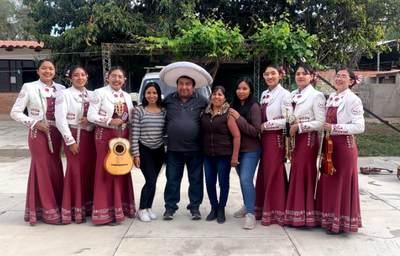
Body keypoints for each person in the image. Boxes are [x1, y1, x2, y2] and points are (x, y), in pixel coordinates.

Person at [10, 59, 66, 225]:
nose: (47, 71)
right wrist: (35, 123)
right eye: (44, 68)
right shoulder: (29, 87)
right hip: (38, 133)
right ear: (38, 70)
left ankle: (58, 206)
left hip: (56, 134)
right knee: (41, 169)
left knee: (55, 169)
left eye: (50, 68)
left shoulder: (61, 89)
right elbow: (15, 112)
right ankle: (48, 212)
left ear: (54, 71)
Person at [160, 61, 211, 220]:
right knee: (172, 180)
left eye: (188, 84)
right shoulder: (168, 100)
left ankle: (195, 208)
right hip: (174, 149)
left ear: (193, 86)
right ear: (176, 85)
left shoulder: (202, 101)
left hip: (195, 150)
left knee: (195, 181)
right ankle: (170, 208)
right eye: (181, 84)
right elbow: (155, 110)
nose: (184, 87)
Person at [315, 68, 364, 235]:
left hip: (344, 147)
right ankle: (327, 219)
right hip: (330, 145)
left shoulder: (353, 100)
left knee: (341, 184)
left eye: (344, 76)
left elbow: (359, 127)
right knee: (329, 181)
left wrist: (335, 128)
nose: (339, 79)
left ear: (351, 81)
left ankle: (341, 224)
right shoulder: (334, 97)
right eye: (337, 76)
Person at [87, 66, 136, 225]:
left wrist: (132, 115)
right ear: (107, 77)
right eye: (113, 76)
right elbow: (91, 115)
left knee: (122, 169)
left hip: (123, 136)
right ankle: (105, 213)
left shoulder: (127, 96)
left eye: (120, 77)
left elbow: (127, 117)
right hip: (105, 135)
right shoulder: (99, 93)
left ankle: (121, 208)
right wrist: (109, 121)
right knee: (106, 170)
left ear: (124, 80)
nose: (117, 79)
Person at [284, 64, 326, 227]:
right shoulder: (293, 94)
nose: (300, 76)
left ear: (311, 77)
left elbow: (321, 122)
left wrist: (299, 127)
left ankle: (305, 217)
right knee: (295, 173)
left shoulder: (317, 95)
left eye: (304, 74)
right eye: (298, 73)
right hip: (294, 138)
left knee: (304, 174)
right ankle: (294, 214)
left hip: (307, 138)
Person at [55, 65, 96, 224]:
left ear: (87, 77)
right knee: (75, 171)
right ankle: (74, 209)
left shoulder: (92, 95)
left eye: (83, 75)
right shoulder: (63, 94)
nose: (80, 78)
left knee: (90, 171)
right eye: (76, 75)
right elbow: (60, 120)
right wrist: (70, 141)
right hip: (74, 136)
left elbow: (99, 113)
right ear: (70, 78)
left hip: (91, 137)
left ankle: (90, 207)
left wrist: (90, 119)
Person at [254, 65, 291, 226]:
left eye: (273, 74)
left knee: (274, 173)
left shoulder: (285, 95)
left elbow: (288, 119)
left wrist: (266, 126)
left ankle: (276, 211)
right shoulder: (265, 93)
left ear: (280, 76)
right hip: (264, 139)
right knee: (265, 172)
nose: (270, 77)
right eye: (267, 74)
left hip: (275, 138)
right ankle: (263, 208)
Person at [201, 86, 241, 224]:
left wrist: (234, 156)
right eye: (214, 94)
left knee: (223, 183)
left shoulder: (228, 114)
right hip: (207, 155)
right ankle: (213, 207)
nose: (216, 97)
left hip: (224, 155)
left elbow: (237, 136)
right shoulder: (204, 113)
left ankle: (221, 208)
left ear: (224, 98)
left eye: (220, 95)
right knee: (209, 182)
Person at [229, 77, 262, 229]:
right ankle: (247, 205)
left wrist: (239, 118)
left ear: (250, 91)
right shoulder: (232, 105)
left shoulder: (254, 107)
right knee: (243, 181)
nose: (241, 92)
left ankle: (251, 214)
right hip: (237, 150)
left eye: (244, 89)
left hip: (251, 150)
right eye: (238, 88)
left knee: (246, 180)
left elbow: (255, 131)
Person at [132, 82, 166, 222]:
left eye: (154, 93)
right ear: (144, 94)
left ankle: (148, 208)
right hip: (144, 148)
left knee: (154, 180)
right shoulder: (139, 110)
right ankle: (141, 209)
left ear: (158, 95)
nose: (152, 96)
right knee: (150, 180)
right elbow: (134, 133)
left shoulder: (164, 110)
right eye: (149, 93)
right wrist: (136, 154)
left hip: (159, 149)